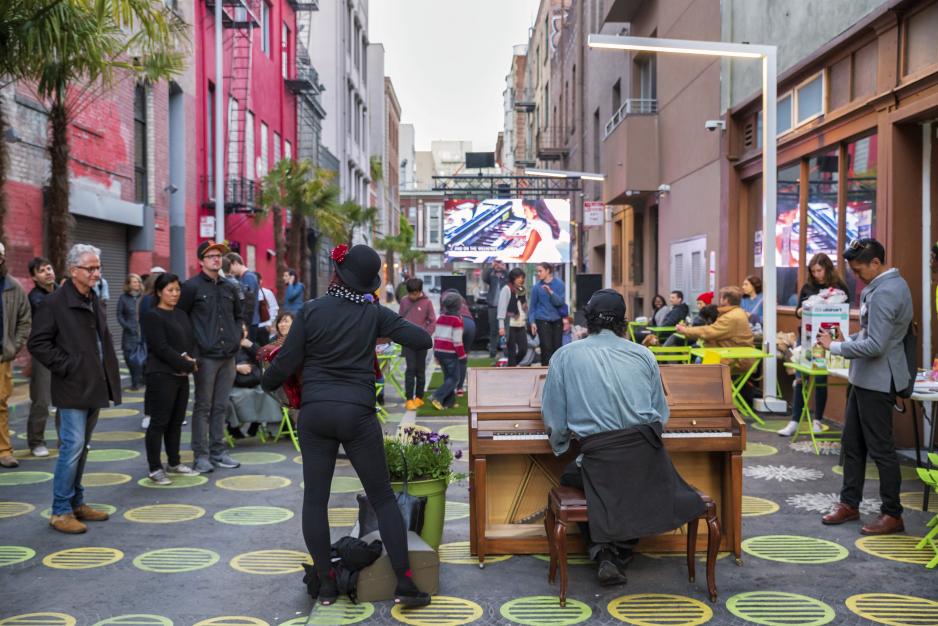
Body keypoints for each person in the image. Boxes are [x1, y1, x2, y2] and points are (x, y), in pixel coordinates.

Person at [262, 243, 432, 608]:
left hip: (316, 413)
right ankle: (404, 584)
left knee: (315, 500)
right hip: (357, 413)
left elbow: (286, 363)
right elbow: (422, 339)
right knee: (383, 498)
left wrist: (266, 381)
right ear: (367, 283)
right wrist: (387, 330)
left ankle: (325, 585)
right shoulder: (374, 314)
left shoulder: (310, 311)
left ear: (338, 273)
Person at [541, 289, 704, 586]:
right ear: (623, 322)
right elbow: (660, 416)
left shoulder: (564, 356)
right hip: (645, 457)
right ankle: (622, 550)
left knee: (574, 477)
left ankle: (603, 551)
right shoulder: (644, 355)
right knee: (635, 477)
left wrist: (562, 444)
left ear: (588, 321)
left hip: (600, 458)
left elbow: (555, 420)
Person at [818, 238, 912, 536]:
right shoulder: (883, 287)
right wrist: (844, 342)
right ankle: (850, 503)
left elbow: (876, 344)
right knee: (853, 445)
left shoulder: (887, 291)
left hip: (878, 379)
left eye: (859, 270)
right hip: (865, 378)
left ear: (876, 263)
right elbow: (869, 334)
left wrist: (836, 346)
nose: (856, 276)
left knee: (881, 449)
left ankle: (892, 513)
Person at [28, 243, 121, 533]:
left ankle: (76, 502)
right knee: (72, 447)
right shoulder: (54, 303)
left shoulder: (93, 298)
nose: (96, 273)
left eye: (98, 268)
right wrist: (69, 366)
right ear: (73, 270)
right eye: (90, 268)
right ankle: (59, 510)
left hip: (94, 385)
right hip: (72, 387)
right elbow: (37, 344)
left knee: (82, 448)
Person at [178, 241, 242, 474]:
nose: (217, 259)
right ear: (201, 260)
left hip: (228, 355)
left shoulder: (229, 287)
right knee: (203, 406)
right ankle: (201, 455)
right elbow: (181, 319)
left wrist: (235, 339)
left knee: (221, 406)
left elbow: (238, 316)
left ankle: (218, 451)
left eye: (219, 256)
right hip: (205, 357)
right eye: (211, 256)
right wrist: (192, 350)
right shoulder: (191, 287)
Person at [777, 253, 849, 437]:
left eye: (820, 270)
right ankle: (794, 420)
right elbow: (797, 312)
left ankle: (817, 420)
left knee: (821, 378)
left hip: (828, 336)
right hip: (807, 336)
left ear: (827, 269)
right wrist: (804, 309)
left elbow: (844, 310)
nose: (817, 274)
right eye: (813, 271)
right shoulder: (808, 287)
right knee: (800, 377)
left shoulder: (839, 288)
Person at [140, 272, 199, 485]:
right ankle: (155, 467)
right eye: (170, 290)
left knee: (176, 422)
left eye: (177, 290)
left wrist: (191, 360)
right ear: (159, 292)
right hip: (161, 375)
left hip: (181, 375)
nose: (175, 294)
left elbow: (190, 341)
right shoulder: (153, 315)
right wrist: (186, 363)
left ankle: (174, 462)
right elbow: (160, 347)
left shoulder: (181, 314)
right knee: (159, 422)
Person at [0, 243, 32, 468]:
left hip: (2, 356)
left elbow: (24, 319)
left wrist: (14, 346)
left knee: (0, 403)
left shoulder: (13, 287)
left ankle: (4, 450)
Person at [26, 256, 57, 458]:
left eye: (49, 268)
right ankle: (36, 441)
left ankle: (68, 440)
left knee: (67, 399)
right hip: (43, 354)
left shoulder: (62, 291)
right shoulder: (36, 297)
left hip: (64, 351)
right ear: (34, 277)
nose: (47, 272)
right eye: (41, 270)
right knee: (41, 400)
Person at [675, 287, 753, 359]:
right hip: (733, 354)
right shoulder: (736, 312)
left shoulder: (731, 317)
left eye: (721, 297)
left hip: (732, 358)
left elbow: (709, 332)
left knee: (696, 363)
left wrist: (685, 330)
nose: (719, 299)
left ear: (726, 300)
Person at [398, 278, 436, 411]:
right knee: (410, 369)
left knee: (420, 370)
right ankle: (409, 399)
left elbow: (432, 321)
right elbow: (399, 319)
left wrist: (426, 335)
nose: (413, 296)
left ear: (420, 291)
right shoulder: (404, 301)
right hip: (408, 341)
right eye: (411, 293)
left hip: (421, 342)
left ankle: (419, 397)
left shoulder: (427, 302)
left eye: (415, 293)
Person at [138, 267, 165, 430]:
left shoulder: (144, 299)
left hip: (149, 346)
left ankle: (150, 415)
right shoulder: (150, 300)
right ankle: (150, 415)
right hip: (154, 347)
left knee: (154, 384)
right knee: (157, 383)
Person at [430, 292, 466, 411]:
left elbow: (436, 336)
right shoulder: (457, 320)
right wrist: (462, 355)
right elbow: (457, 341)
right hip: (450, 353)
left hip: (440, 352)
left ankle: (448, 403)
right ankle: (437, 396)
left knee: (448, 377)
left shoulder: (441, 318)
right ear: (458, 306)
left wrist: (435, 353)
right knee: (455, 378)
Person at [529, 262, 566, 365]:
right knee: (546, 348)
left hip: (557, 320)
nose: (538, 273)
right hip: (542, 320)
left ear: (548, 271)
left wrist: (550, 292)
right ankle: (545, 373)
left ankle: (558, 374)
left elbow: (560, 303)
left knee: (557, 348)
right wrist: (532, 322)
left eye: (540, 271)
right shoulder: (536, 287)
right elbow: (532, 306)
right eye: (537, 271)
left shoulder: (559, 284)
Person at [441, 289, 475, 397]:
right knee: (463, 358)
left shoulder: (444, 299)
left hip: (457, 323)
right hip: (470, 324)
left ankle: (449, 388)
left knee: (450, 357)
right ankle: (460, 388)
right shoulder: (462, 300)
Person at [509, 198, 563, 263]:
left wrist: (505, 257)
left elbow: (524, 258)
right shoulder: (542, 223)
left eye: (525, 209)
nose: (524, 213)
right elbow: (530, 238)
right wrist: (511, 237)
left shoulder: (537, 229)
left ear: (534, 211)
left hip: (544, 260)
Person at [117, 273, 144, 391]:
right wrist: (127, 326)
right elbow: (119, 315)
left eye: (138, 281)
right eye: (134, 282)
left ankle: (137, 382)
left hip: (142, 333)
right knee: (128, 358)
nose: (137, 284)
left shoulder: (143, 297)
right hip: (129, 334)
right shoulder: (123, 298)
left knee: (140, 359)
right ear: (128, 284)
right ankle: (136, 379)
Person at [496, 268, 529, 365]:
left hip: (521, 324)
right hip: (510, 324)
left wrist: (525, 305)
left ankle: (511, 365)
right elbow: (501, 309)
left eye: (522, 278)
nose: (521, 280)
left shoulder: (521, 290)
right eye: (518, 277)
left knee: (523, 349)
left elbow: (524, 308)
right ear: (513, 278)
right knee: (511, 351)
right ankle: (512, 367)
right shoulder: (506, 289)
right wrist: (501, 327)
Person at [225, 253, 260, 342]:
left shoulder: (248, 277)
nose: (230, 271)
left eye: (230, 266)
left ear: (235, 263)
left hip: (250, 322)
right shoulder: (244, 277)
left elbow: (247, 302)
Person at [482, 261, 508, 359]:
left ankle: (505, 351)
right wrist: (491, 267)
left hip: (504, 307)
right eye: (497, 263)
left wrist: (504, 269)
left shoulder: (505, 276)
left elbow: (510, 278)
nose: (498, 265)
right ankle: (492, 351)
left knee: (504, 330)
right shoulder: (492, 275)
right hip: (492, 306)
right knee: (493, 330)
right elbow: (485, 277)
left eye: (500, 263)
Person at [256, 272, 279, 346]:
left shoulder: (267, 293)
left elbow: (274, 308)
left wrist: (269, 323)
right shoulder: (249, 292)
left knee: (265, 348)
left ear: (260, 281)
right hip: (252, 327)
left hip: (264, 326)